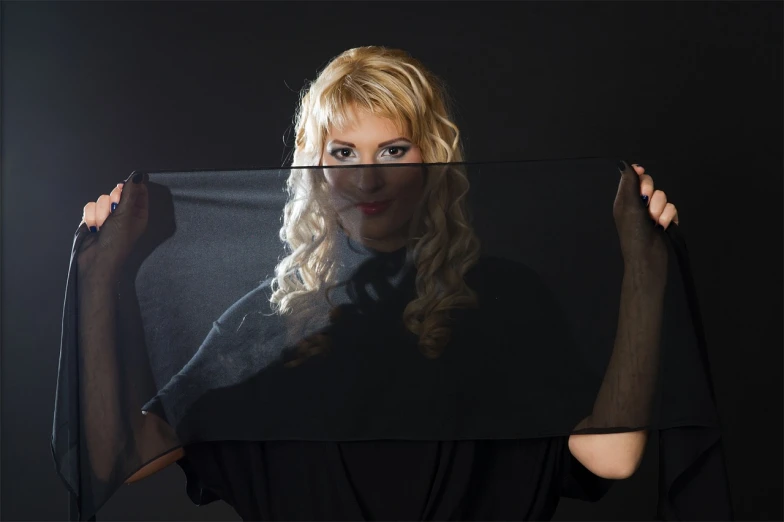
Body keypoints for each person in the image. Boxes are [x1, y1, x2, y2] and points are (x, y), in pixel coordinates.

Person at [77, 46, 682, 520]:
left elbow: (614, 455)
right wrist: (101, 281)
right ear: (313, 164)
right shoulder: (265, 319)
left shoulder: (504, 300)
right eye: (342, 153)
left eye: (393, 150)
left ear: (433, 157)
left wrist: (645, 269)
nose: (367, 181)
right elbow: (125, 458)